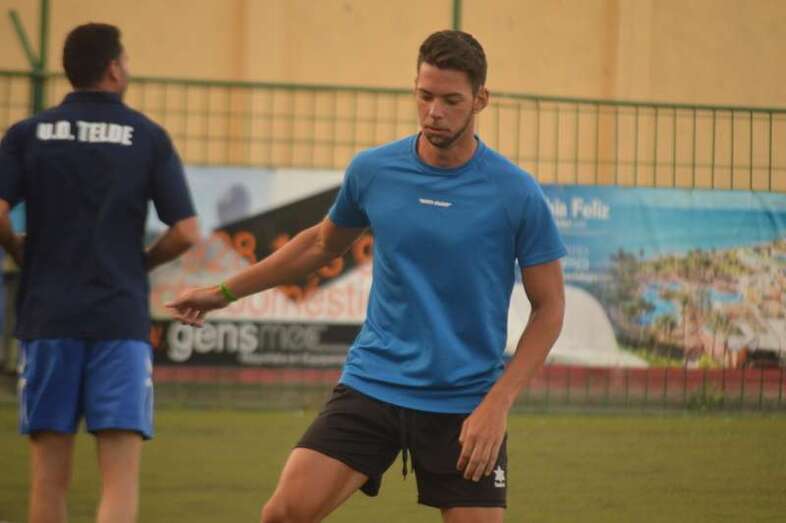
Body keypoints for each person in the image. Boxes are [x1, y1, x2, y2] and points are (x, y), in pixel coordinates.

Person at [168, 30, 565, 523]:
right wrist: (224, 291)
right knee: (282, 514)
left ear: (480, 100)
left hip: (466, 400)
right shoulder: (374, 170)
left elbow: (550, 308)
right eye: (425, 96)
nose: (434, 112)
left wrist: (498, 403)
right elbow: (319, 245)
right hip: (374, 382)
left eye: (451, 100)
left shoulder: (517, 193)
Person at [0, 23, 198, 523]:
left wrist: (18, 249)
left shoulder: (27, 134)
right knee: (119, 477)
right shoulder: (146, 136)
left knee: (48, 479)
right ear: (113, 68)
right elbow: (186, 231)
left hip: (47, 317)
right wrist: (141, 262)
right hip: (119, 318)